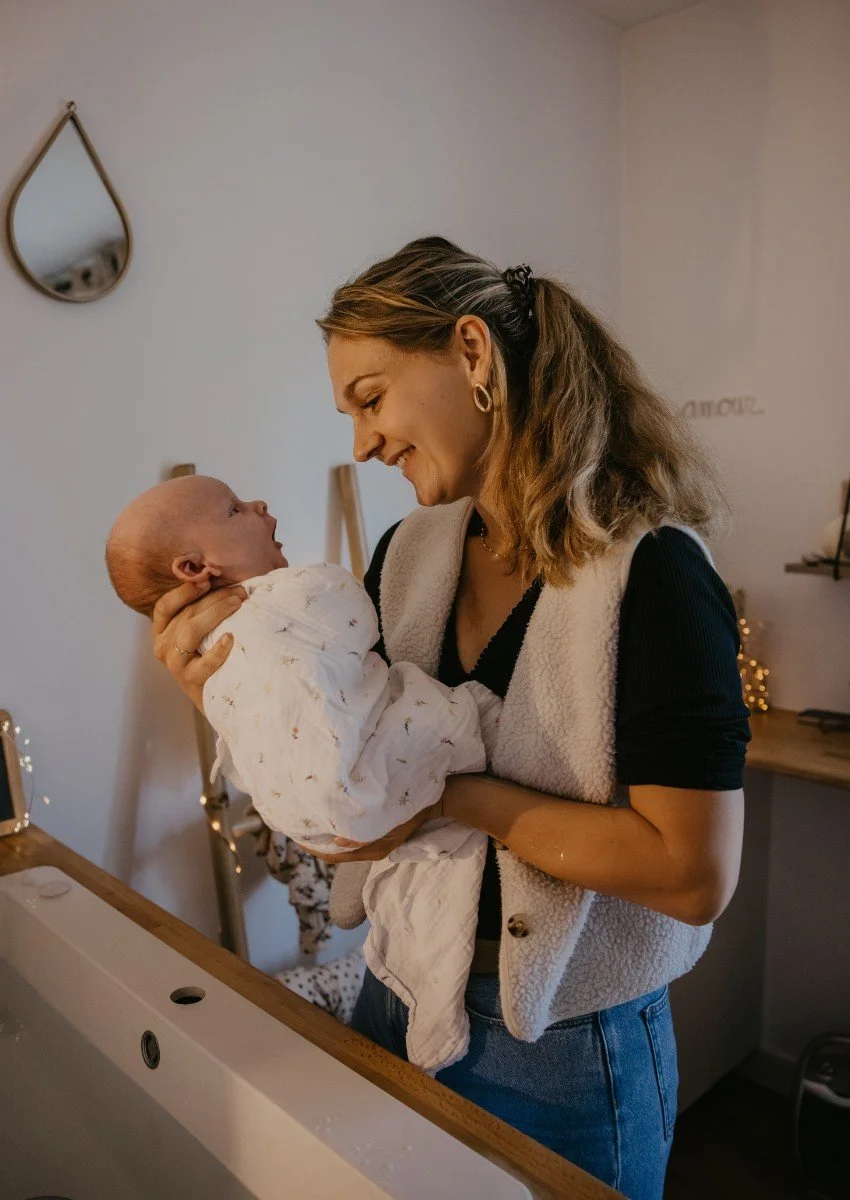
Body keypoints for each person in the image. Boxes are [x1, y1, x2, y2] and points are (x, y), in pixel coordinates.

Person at [153, 236, 750, 1199]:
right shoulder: (405, 554)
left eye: (371, 396)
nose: (360, 442)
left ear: (472, 354)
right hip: (398, 985)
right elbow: (357, 825)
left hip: (564, 1044)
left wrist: (455, 796)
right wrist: (231, 700)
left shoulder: (653, 573)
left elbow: (690, 875)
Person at [107, 473, 501, 1070]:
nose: (261, 504)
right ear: (195, 567)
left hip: (345, 829)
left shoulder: (230, 631)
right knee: (474, 716)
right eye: (235, 509)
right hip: (353, 809)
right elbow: (347, 616)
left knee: (433, 921)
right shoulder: (280, 603)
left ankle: (433, 1013)